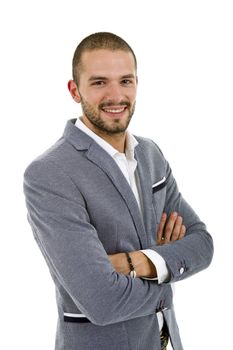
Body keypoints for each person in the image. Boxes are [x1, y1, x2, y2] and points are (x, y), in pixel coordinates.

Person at [23, 32, 213, 350]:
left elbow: (202, 244)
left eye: (125, 81)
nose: (116, 95)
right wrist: (169, 271)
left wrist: (135, 262)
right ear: (74, 90)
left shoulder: (150, 154)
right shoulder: (50, 174)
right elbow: (102, 300)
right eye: (99, 82)